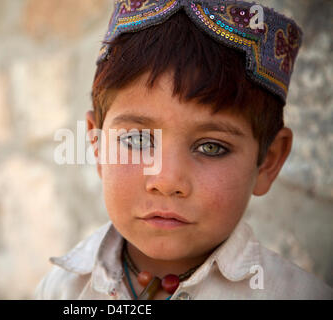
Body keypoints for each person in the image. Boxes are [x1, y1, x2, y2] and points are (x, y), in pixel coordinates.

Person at [34, 0, 332, 299]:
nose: (166, 180)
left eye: (212, 147)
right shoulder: (62, 290)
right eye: (137, 140)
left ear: (268, 161)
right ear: (97, 144)